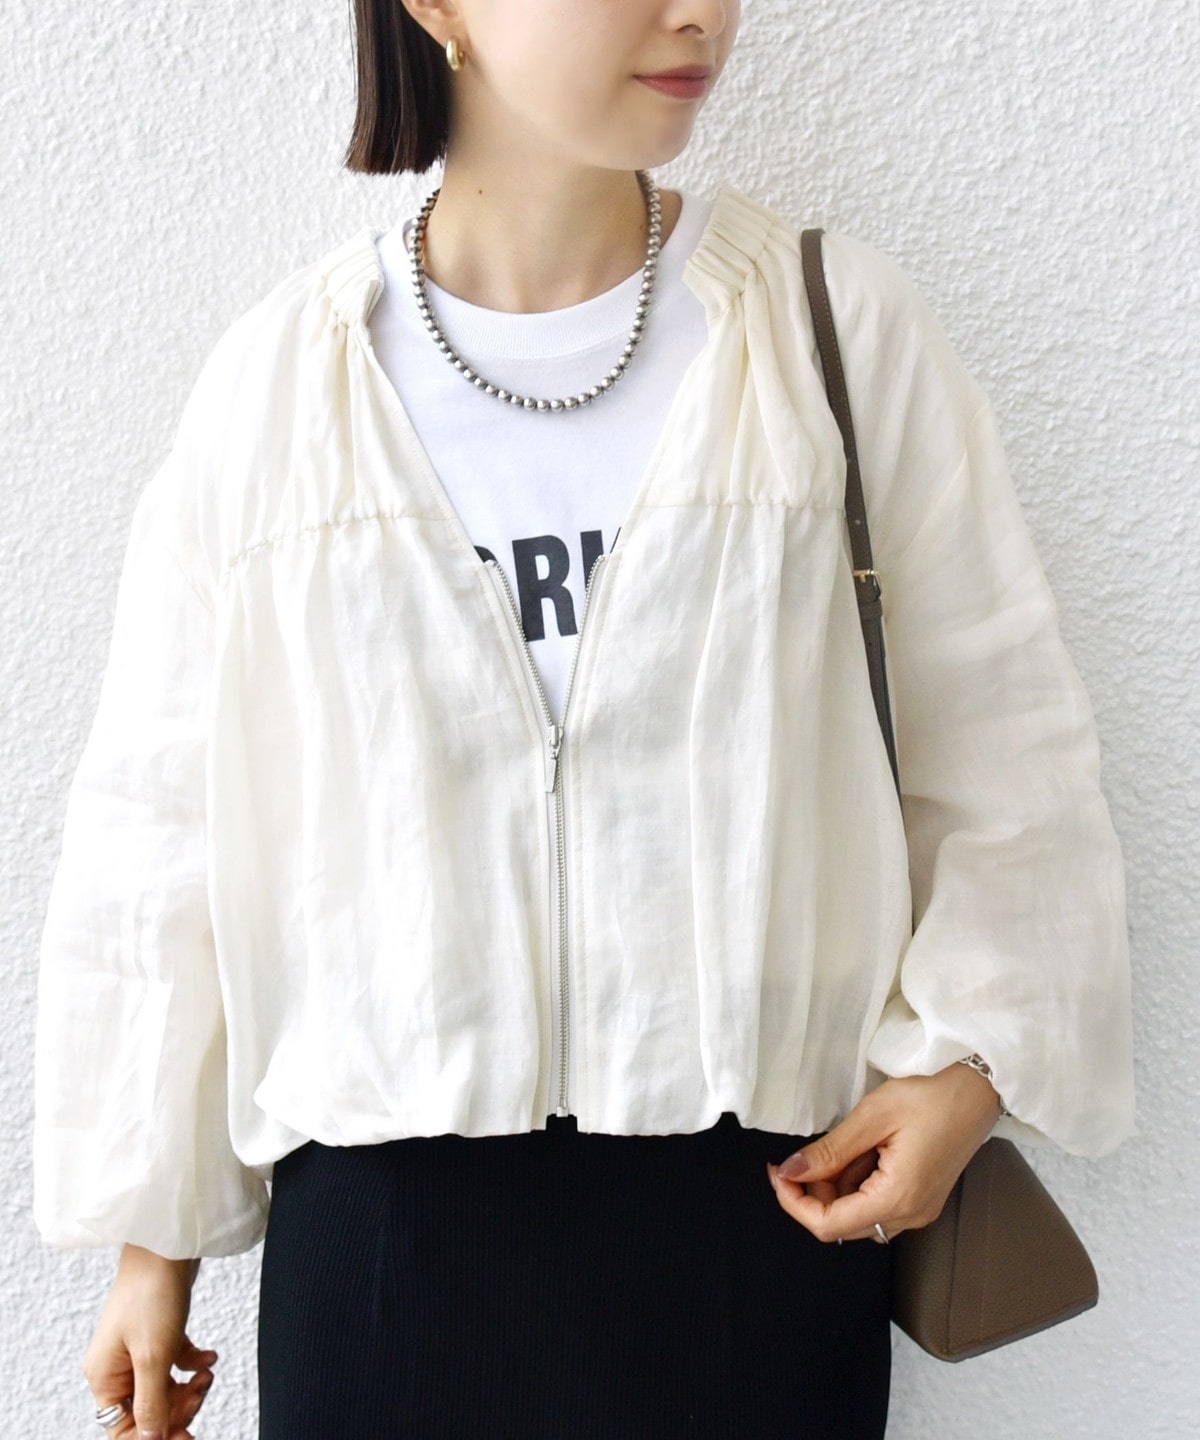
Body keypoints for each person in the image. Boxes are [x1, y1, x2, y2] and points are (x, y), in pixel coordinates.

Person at [31, 0, 1136, 1436]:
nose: (698, 15)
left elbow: (1001, 740)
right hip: (378, 1253)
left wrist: (971, 1069)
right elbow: (163, 829)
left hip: (758, 1231)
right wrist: (151, 1247)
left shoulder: (827, 332)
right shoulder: (282, 387)